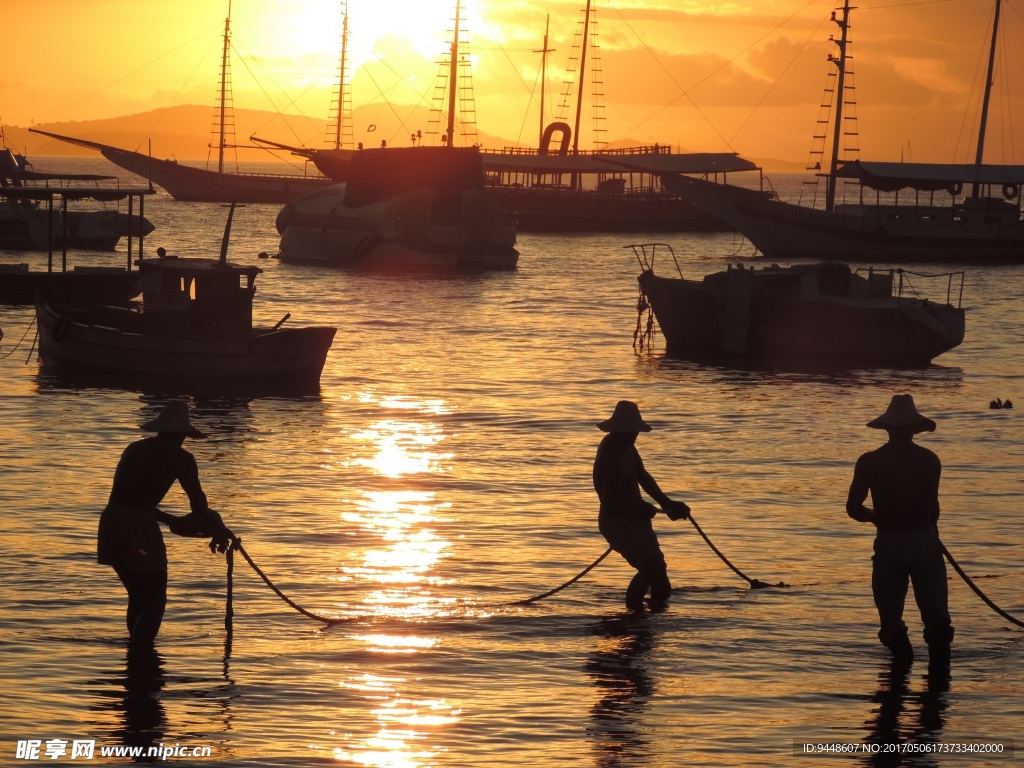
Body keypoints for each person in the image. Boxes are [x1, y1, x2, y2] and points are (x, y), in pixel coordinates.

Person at [98, 401, 232, 652]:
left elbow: (129, 502)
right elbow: (199, 507)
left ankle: (136, 660)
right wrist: (218, 530)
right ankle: (142, 655)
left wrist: (171, 520)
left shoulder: (134, 448)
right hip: (137, 529)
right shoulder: (182, 458)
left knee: (138, 595)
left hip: (110, 521)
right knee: (156, 600)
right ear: (181, 434)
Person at [846, 394, 954, 664]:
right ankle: (938, 689)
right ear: (913, 430)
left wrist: (876, 518)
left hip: (891, 542)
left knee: (890, 620)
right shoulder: (929, 460)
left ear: (888, 429)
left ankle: (900, 676)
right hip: (923, 541)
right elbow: (933, 510)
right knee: (937, 618)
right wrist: (931, 535)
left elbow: (853, 508)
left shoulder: (869, 461)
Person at [593, 400, 691, 612]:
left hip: (635, 519)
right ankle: (634, 617)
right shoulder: (611, 454)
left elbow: (643, 476)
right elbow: (610, 504)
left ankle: (653, 623)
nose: (636, 435)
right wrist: (639, 508)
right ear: (621, 430)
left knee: (660, 575)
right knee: (650, 570)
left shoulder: (627, 447)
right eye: (633, 430)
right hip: (617, 522)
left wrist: (668, 504)